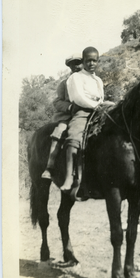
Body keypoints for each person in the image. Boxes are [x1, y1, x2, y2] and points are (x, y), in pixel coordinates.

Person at [60, 46, 104, 191]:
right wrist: (95, 106)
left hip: (99, 110)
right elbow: (77, 97)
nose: (91, 64)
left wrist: (102, 106)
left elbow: (102, 97)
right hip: (83, 111)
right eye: (88, 61)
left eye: (94, 61)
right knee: (74, 136)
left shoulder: (98, 80)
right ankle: (69, 176)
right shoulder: (75, 77)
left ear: (98, 61)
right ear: (83, 62)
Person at [41, 55, 82, 179]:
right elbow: (57, 102)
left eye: (78, 63)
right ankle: (50, 167)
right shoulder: (64, 84)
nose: (76, 66)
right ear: (69, 67)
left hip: (89, 113)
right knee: (59, 132)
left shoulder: (90, 80)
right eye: (73, 64)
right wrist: (70, 107)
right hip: (69, 116)